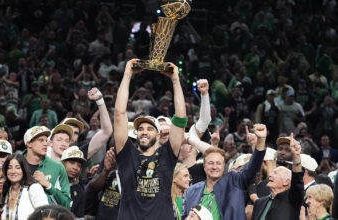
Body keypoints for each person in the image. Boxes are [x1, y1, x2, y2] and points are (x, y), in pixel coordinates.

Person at [113, 60, 186, 219]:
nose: (144, 132)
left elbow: (180, 119)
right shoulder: (127, 155)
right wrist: (127, 74)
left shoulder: (167, 155)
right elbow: (119, 114)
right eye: (140, 129)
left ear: (159, 135)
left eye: (149, 129)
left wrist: (175, 80)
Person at [182, 124, 267, 220]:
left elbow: (253, 167)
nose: (214, 167)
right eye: (210, 163)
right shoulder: (192, 191)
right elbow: (184, 216)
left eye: (218, 163)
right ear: (204, 166)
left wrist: (261, 141)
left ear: (223, 166)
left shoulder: (234, 181)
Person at [251, 133, 304, 220]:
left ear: (287, 182)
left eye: (287, 150)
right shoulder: (259, 203)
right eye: (280, 149)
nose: (270, 175)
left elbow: (297, 182)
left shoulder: (293, 199)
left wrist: (296, 156)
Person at [23, 126, 72, 209]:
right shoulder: (16, 164)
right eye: (40, 140)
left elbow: (67, 204)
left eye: (46, 140)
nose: (45, 144)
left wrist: (48, 185)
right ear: (29, 143)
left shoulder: (58, 167)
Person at [1, 154, 49, 220]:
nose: (13, 171)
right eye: (9, 168)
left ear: (24, 169)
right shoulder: (5, 191)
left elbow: (46, 214)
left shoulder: (33, 188)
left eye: (18, 168)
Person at [61, 146, 86, 218]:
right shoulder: (51, 182)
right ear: (62, 163)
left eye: (79, 165)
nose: (75, 168)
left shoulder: (79, 191)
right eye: (72, 162)